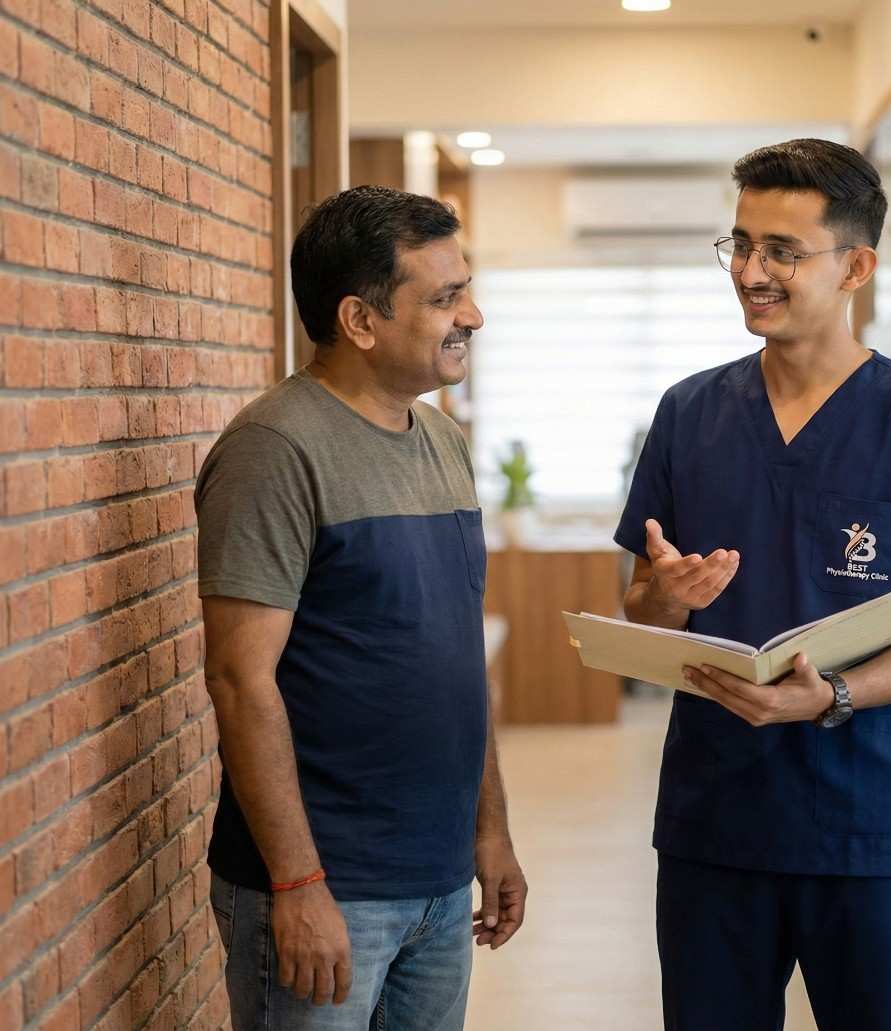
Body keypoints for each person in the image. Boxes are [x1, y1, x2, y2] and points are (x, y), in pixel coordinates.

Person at [615, 139, 891, 1030]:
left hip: (871, 832)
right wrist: (671, 595)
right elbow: (641, 604)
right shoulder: (687, 415)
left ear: (856, 265)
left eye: (782, 251)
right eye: (741, 245)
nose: (751, 271)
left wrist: (830, 695)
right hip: (717, 825)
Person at [196, 186, 527, 1031]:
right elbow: (240, 681)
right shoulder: (275, 450)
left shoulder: (444, 443)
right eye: (445, 297)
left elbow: (453, 660)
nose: (474, 316)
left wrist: (490, 832)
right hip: (328, 890)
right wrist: (299, 886)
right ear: (360, 319)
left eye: (467, 289)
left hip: (440, 883)